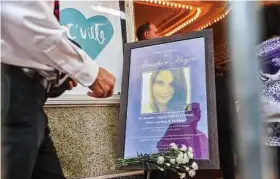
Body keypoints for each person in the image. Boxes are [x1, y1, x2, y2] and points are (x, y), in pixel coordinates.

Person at [1, 1, 115, 179]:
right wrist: (88, 71)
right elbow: (28, 18)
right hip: (12, 95)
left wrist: (60, 77)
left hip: (28, 102)